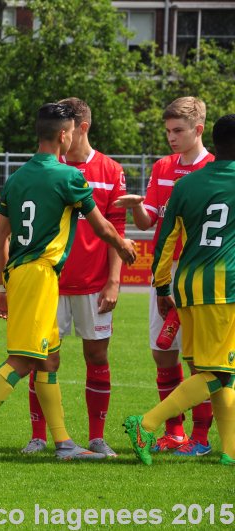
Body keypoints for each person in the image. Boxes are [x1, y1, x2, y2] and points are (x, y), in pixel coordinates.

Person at [0, 102, 136, 464]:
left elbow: (0, 234)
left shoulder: (17, 178)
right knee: (21, 360)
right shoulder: (68, 177)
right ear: (65, 135)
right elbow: (102, 226)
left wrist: (3, 284)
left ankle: (64, 444)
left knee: (47, 360)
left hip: (22, 275)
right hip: (39, 275)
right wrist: (122, 245)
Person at [124, 113, 235, 467]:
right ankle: (146, 424)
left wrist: (160, 288)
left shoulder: (187, 185)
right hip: (223, 289)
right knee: (216, 372)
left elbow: (165, 241)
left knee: (219, 371)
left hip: (187, 286)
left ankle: (230, 451)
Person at [21, 98, 127, 458]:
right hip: (50, 281)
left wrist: (113, 281)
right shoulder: (50, 168)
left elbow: (116, 228)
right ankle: (40, 436)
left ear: (80, 127)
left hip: (94, 283)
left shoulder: (110, 170)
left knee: (97, 355)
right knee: (43, 359)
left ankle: (96, 436)